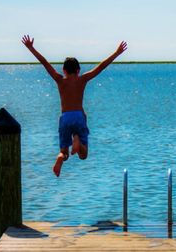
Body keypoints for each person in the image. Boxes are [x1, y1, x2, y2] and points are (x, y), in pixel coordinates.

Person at [21, 35, 127, 177]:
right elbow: (101, 66)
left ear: (64, 70)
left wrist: (31, 48)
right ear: (78, 70)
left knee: (64, 151)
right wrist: (117, 53)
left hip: (65, 117)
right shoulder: (82, 79)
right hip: (79, 116)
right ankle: (78, 142)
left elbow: (44, 62)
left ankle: (60, 158)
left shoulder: (60, 80)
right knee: (83, 155)